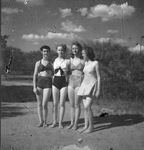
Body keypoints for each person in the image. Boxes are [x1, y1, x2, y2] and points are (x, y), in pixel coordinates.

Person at [77, 46, 101, 133]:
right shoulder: (85, 63)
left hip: (92, 85)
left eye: (83, 53)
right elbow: (86, 73)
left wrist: (98, 90)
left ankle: (91, 127)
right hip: (84, 85)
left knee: (87, 107)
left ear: (88, 53)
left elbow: (98, 77)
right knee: (85, 107)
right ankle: (85, 126)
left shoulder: (95, 63)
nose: (82, 54)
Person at [33, 45, 54, 127]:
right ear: (42, 52)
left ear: (49, 52)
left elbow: (54, 74)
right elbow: (34, 75)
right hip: (39, 83)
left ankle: (45, 122)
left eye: (47, 51)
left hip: (48, 83)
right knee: (39, 103)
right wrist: (34, 87)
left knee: (45, 103)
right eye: (44, 51)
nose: (46, 53)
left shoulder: (51, 63)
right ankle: (40, 121)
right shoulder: (38, 63)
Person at [50, 44, 69, 129]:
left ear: (64, 51)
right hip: (55, 82)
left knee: (62, 103)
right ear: (56, 51)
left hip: (64, 82)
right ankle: (54, 122)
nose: (60, 51)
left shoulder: (67, 61)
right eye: (59, 50)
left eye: (62, 50)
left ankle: (60, 122)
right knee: (55, 103)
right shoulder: (54, 61)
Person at [67, 42, 85, 130]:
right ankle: (71, 122)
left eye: (76, 48)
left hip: (79, 82)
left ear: (79, 49)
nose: (74, 50)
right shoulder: (69, 60)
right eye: (73, 48)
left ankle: (76, 124)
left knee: (77, 104)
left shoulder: (83, 60)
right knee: (71, 104)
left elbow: (87, 72)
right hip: (71, 82)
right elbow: (66, 71)